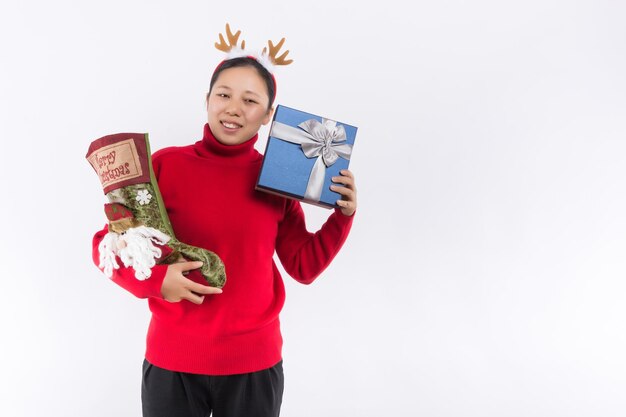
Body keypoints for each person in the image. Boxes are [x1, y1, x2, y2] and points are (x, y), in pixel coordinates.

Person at [91, 31, 357, 417]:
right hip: (172, 363)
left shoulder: (278, 179)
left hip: (255, 366)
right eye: (224, 94)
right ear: (207, 100)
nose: (234, 108)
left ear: (269, 115)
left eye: (250, 100)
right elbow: (108, 244)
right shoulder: (165, 166)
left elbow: (304, 266)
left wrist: (341, 216)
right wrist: (156, 281)